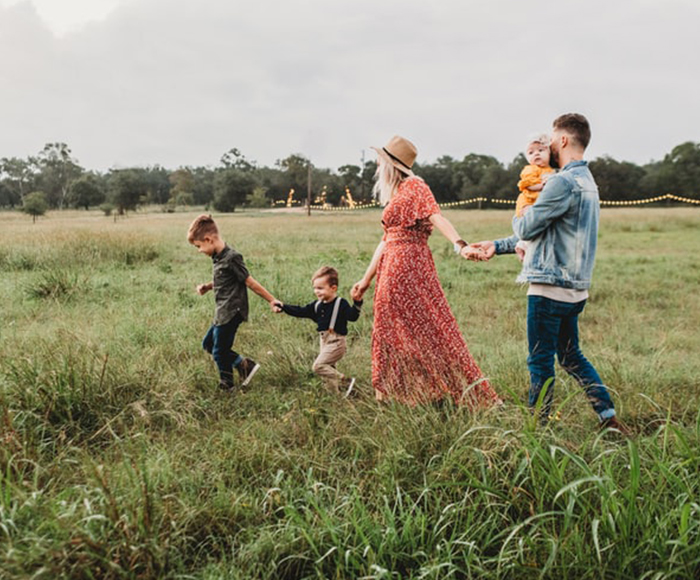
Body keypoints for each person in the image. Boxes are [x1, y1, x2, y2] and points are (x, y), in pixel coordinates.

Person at [471, 114, 626, 432]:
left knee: (540, 361)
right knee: (571, 357)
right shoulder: (588, 183)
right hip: (575, 290)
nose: (549, 145)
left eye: (553, 140)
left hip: (548, 288)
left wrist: (521, 213)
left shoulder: (561, 182)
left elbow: (527, 226)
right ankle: (607, 417)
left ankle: (536, 431)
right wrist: (497, 246)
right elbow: (546, 233)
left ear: (565, 141)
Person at [351, 135, 502, 408]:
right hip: (391, 265)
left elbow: (437, 216)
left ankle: (436, 390)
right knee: (390, 328)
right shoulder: (397, 193)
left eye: (380, 160)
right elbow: (385, 240)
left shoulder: (415, 186)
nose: (376, 165)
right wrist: (365, 280)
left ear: (391, 164)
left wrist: (460, 245)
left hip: (408, 266)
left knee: (429, 327)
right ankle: (397, 393)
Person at [187, 214, 278, 391]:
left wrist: (272, 300)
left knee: (219, 351)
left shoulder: (232, 257)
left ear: (208, 239)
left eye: (198, 246)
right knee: (208, 344)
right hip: (222, 311)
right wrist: (207, 286)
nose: (199, 250)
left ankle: (227, 385)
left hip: (232, 311)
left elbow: (249, 281)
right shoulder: (218, 258)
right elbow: (226, 280)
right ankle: (244, 365)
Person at [274, 266, 362, 397]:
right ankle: (335, 396)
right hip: (324, 341)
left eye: (320, 288)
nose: (316, 291)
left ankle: (346, 381)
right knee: (328, 371)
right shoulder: (317, 305)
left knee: (318, 366)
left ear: (333, 288)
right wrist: (283, 307)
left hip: (337, 342)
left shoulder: (340, 303)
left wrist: (357, 302)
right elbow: (300, 311)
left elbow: (353, 317)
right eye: (315, 288)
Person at [514, 133, 555, 260]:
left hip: (539, 203)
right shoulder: (531, 169)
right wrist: (542, 186)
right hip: (528, 202)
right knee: (532, 221)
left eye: (541, 150)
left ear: (549, 153)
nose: (536, 154)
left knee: (540, 226)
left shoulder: (551, 170)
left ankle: (522, 245)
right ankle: (523, 245)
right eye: (531, 153)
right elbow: (528, 184)